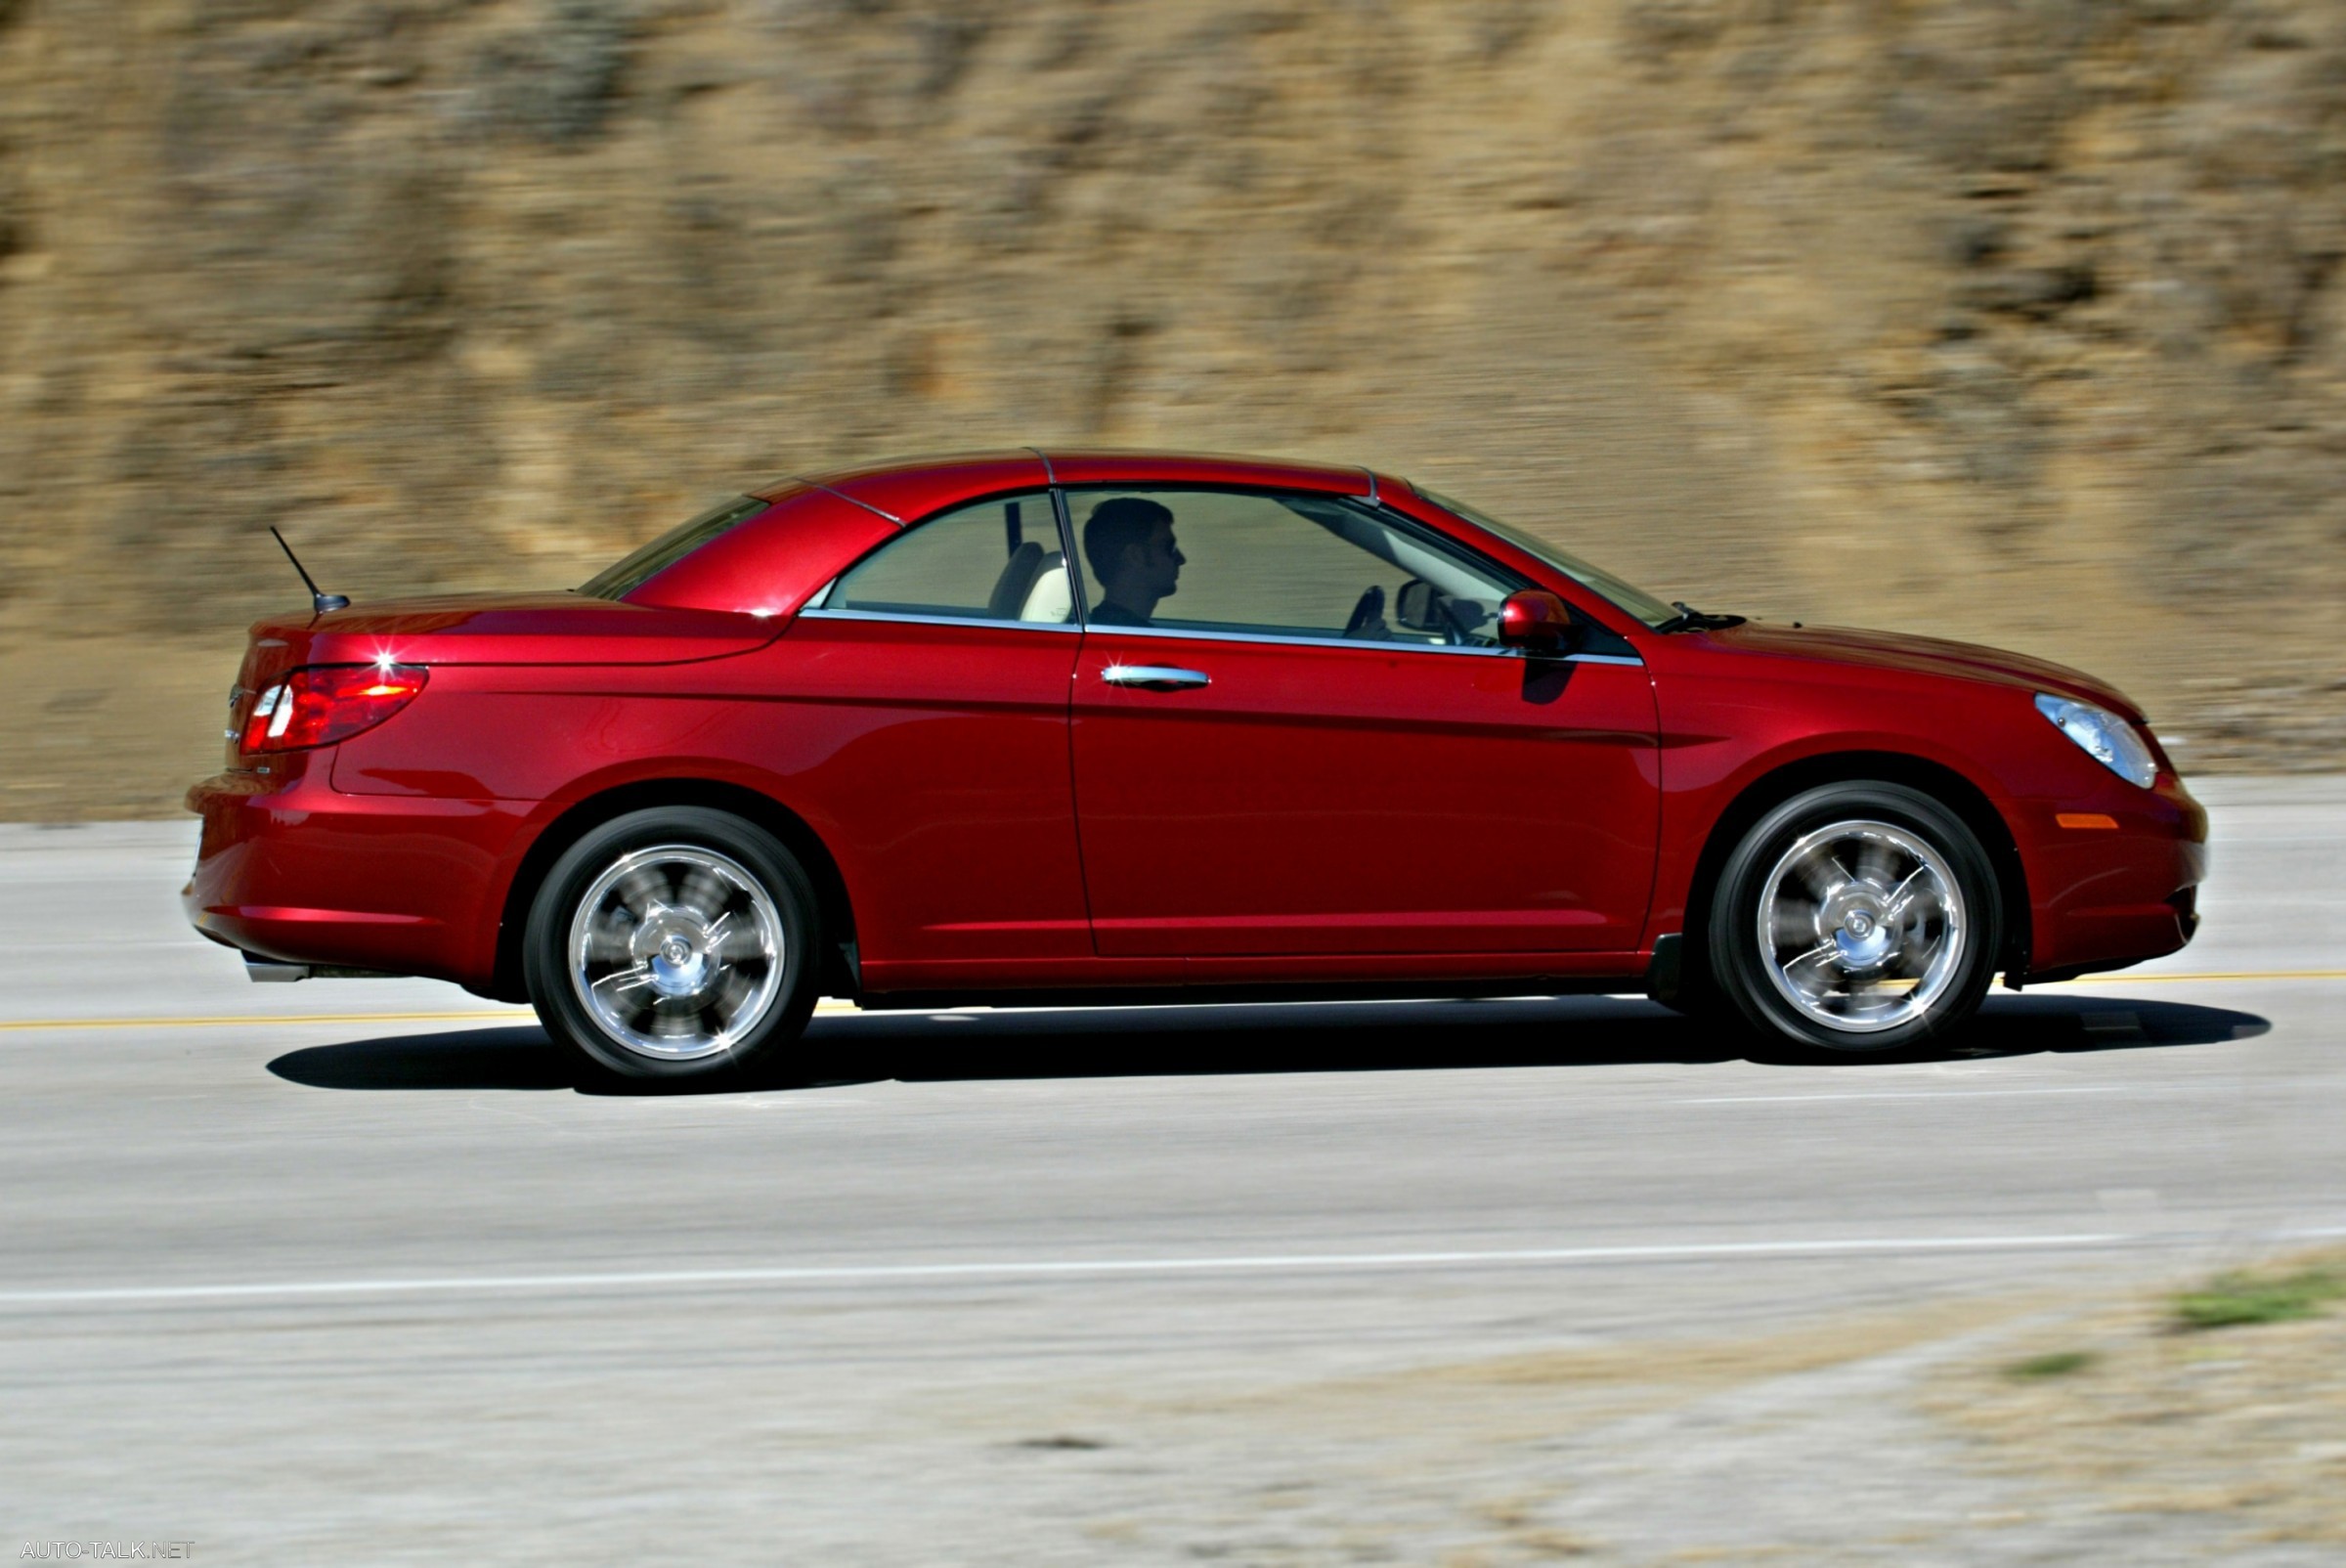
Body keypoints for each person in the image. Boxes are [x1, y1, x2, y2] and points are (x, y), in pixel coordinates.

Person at [1081, 497, 1185, 627]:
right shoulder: (1125, 640)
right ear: (1135, 555)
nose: (1181, 559)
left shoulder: (1104, 629)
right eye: (1170, 547)